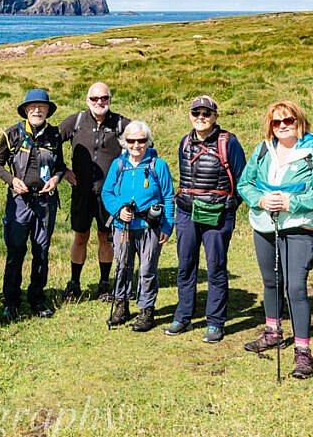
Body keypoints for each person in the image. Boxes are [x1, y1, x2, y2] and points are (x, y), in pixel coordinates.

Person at [237, 100, 313, 378]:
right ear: (270, 125)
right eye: (276, 122)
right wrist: (260, 199)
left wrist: (292, 202)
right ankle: (273, 332)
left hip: (300, 227)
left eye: (288, 121)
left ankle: (303, 352)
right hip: (264, 226)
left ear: (299, 121)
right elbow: (244, 185)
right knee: (271, 282)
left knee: (295, 287)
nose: (282, 126)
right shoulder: (261, 150)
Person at [165, 96, 247, 343]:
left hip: (217, 214)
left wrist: (232, 204)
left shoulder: (228, 142)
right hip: (186, 213)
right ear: (190, 115)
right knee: (185, 266)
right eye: (196, 113)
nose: (200, 118)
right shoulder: (184, 142)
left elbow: (243, 180)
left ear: (215, 116)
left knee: (216, 267)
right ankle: (183, 315)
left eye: (206, 113)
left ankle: (215, 322)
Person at [0, 89, 66, 319]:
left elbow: (61, 166)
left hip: (45, 203)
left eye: (41, 107)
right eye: (32, 106)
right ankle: (11, 301)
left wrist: (55, 179)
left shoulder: (55, 135)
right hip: (19, 203)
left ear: (47, 110)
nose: (37, 110)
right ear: (25, 110)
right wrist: (12, 181)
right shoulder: (11, 134)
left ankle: (37, 299)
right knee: (15, 251)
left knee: (41, 251)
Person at [59, 82, 130, 302]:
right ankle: (74, 283)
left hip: (109, 196)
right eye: (94, 99)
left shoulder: (121, 124)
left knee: (105, 238)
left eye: (104, 98)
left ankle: (105, 284)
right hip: (81, 193)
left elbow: (141, 148)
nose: (100, 103)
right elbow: (50, 144)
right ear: (87, 100)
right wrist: (62, 170)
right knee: (80, 236)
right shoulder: (76, 121)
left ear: (110, 99)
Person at [101, 121, 175, 332]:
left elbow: (169, 197)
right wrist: (118, 210)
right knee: (122, 265)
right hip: (122, 225)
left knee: (147, 268)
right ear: (124, 142)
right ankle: (121, 305)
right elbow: (107, 193)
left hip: (149, 226)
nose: (136, 145)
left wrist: (167, 226)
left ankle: (146, 310)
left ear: (147, 142)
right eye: (131, 140)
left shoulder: (158, 165)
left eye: (141, 140)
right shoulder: (118, 165)